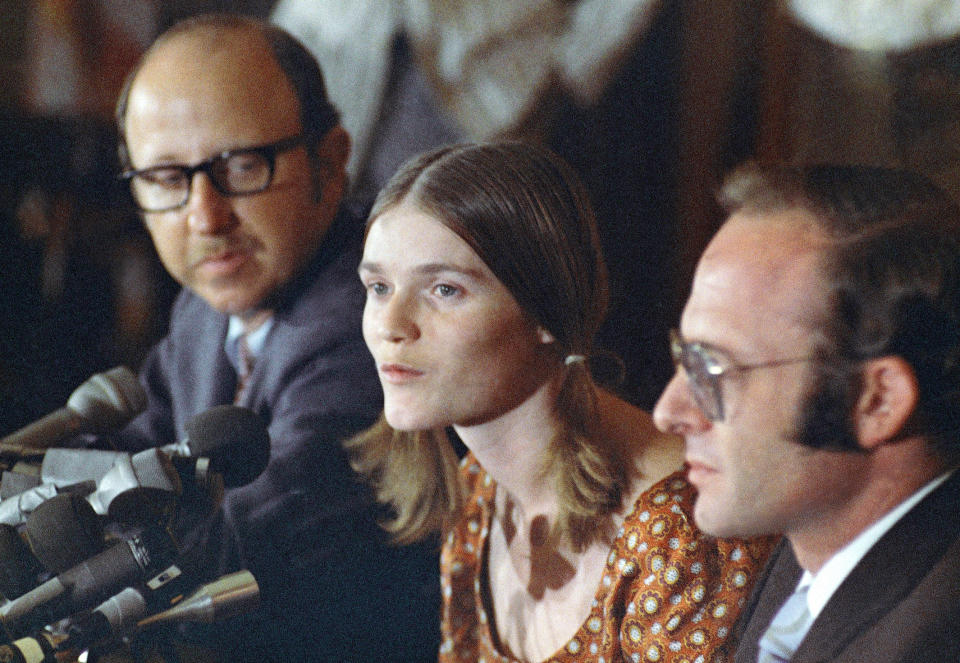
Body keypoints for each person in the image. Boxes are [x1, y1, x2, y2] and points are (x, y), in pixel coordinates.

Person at [349, 141, 775, 663]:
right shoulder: (479, 491)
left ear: (546, 310)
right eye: (379, 287)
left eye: (444, 290)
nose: (390, 325)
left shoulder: (682, 534)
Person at [108, 13, 439, 662]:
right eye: (168, 181)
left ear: (332, 161)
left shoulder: (374, 328)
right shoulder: (205, 312)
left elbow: (234, 562)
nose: (205, 216)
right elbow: (112, 456)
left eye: (241, 165)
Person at [652, 162, 960, 662]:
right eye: (685, 357)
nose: (668, 413)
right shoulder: (815, 542)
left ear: (876, 402)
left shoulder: (931, 640)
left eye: (714, 368)